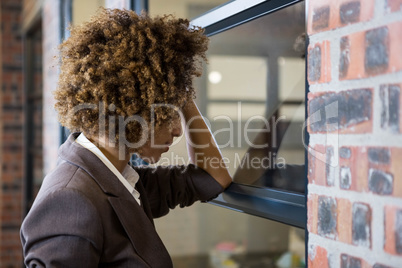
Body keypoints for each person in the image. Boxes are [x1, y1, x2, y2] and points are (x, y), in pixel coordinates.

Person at [20, 8, 232, 267]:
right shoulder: (71, 200)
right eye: (170, 113)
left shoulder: (122, 179)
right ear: (134, 109)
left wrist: (181, 88)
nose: (178, 130)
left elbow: (213, 177)